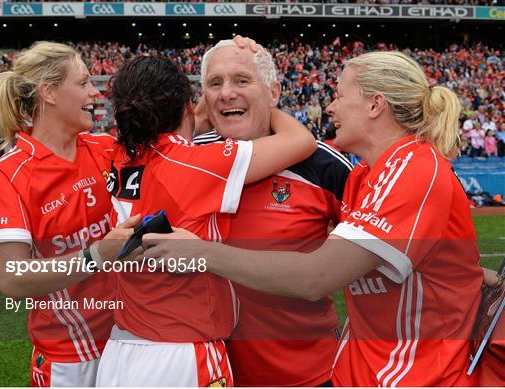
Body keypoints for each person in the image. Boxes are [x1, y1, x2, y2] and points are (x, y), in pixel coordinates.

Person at [143, 51, 483, 386]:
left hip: (388, 375)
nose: (329, 107)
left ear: (375, 104)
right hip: (215, 369)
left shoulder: (376, 169)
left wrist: (200, 253)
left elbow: (318, 275)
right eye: (214, 83)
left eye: (338, 95)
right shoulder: (365, 173)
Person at [95, 52, 316, 387]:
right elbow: (301, 141)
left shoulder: (117, 155)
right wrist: (264, 98)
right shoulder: (199, 163)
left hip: (120, 350)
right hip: (181, 352)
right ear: (187, 107)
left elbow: (181, 124)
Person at [0, 41, 138, 387]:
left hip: (132, 341)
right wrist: (96, 255)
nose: (95, 92)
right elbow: (12, 279)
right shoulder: (8, 175)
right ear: (49, 92)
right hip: (70, 361)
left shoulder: (107, 148)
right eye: (84, 83)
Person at [193, 39, 352, 387]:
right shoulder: (187, 159)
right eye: (214, 83)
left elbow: (384, 245)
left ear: (274, 91)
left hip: (307, 376)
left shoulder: (322, 166)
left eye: (242, 80)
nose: (227, 93)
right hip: (208, 374)